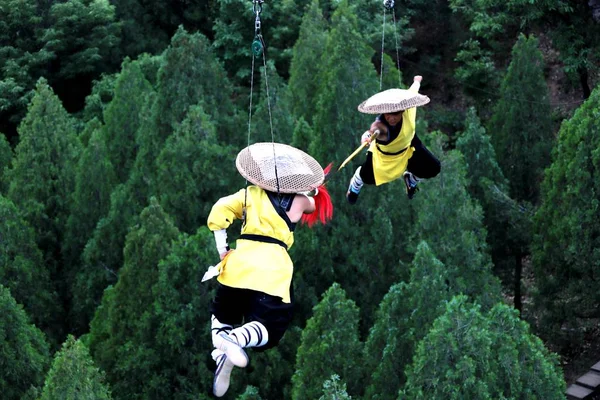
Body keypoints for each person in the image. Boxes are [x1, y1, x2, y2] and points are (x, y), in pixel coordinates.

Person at [204, 142, 333, 397]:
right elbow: (311, 203)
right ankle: (237, 340)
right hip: (272, 271)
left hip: (238, 265)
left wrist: (223, 250)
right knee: (272, 327)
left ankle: (222, 349)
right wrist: (313, 190)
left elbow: (219, 209)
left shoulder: (248, 194)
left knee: (223, 317)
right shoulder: (299, 201)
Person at [346, 75, 440, 204]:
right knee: (367, 178)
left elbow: (413, 89)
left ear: (402, 110)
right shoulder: (381, 126)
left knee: (433, 168)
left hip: (409, 146)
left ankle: (411, 179)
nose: (391, 118)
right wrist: (366, 137)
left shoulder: (409, 106)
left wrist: (417, 80)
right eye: (388, 114)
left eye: (395, 113)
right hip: (386, 156)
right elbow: (372, 131)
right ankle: (356, 182)